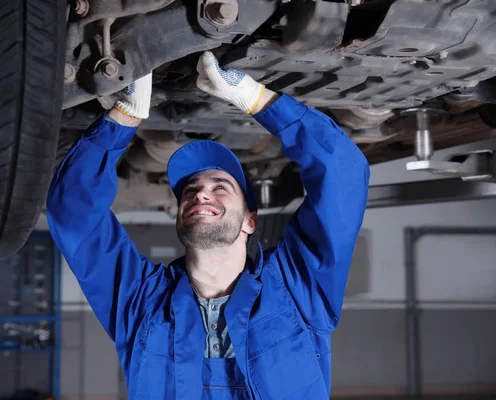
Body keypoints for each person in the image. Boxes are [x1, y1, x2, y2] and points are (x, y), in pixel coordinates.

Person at [47, 51, 369, 399]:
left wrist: (257, 99)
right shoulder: (140, 301)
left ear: (249, 220)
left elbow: (343, 175)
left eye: (220, 187)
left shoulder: (296, 289)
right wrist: (126, 115)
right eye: (191, 190)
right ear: (180, 215)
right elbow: (74, 211)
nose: (201, 195)